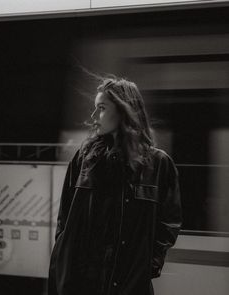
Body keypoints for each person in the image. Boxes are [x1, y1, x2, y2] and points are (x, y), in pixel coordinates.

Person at [48, 75, 182, 295]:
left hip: (128, 286)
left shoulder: (159, 164)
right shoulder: (84, 159)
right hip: (83, 284)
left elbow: (169, 224)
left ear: (123, 110)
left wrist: (150, 265)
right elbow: (64, 221)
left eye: (101, 108)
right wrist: (62, 267)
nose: (93, 116)